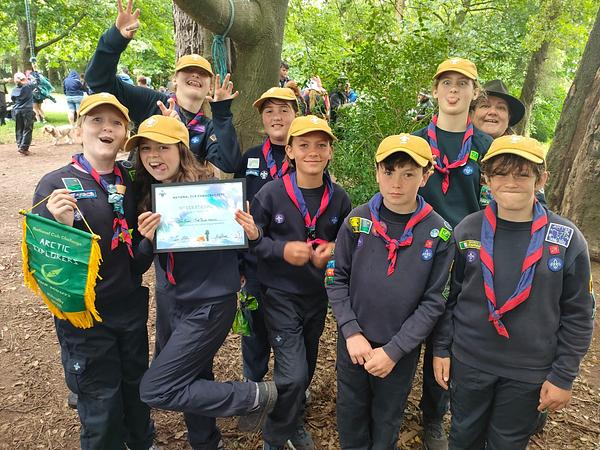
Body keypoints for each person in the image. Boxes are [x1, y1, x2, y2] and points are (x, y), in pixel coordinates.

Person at [433, 135, 594, 449]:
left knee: (507, 443)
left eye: (522, 174)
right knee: (463, 437)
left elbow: (579, 315)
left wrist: (563, 375)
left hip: (528, 371)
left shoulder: (566, 239)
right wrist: (441, 349)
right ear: (487, 180)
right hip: (470, 360)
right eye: (501, 173)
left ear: (541, 179)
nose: (511, 182)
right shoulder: (467, 229)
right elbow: (449, 297)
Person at [127, 115, 277, 450]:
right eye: (146, 149)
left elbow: (246, 243)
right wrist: (146, 241)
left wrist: (249, 232)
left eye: (163, 147)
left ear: (181, 150)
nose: (153, 156)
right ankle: (207, 442)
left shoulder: (212, 191)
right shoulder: (144, 192)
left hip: (210, 303)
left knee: (156, 388)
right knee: (190, 375)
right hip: (172, 299)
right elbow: (137, 264)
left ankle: (257, 396)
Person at [32, 93, 157, 450]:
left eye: (116, 123)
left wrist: (147, 242)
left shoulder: (133, 179)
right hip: (85, 318)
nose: (107, 128)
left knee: (136, 386)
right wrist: (61, 227)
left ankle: (142, 442)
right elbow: (44, 267)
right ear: (78, 130)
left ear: (125, 135)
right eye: (97, 120)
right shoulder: (55, 185)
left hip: (129, 307)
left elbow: (136, 258)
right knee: (101, 401)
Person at [327, 134, 455, 450]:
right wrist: (351, 331)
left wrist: (395, 350)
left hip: (400, 349)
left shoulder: (439, 233)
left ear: (425, 176)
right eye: (388, 172)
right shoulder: (356, 221)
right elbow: (335, 277)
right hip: (354, 342)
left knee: (388, 415)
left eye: (409, 174)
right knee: (351, 410)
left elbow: (434, 301)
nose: (396, 183)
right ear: (377, 173)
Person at [239, 115, 352, 449]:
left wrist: (334, 249)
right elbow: (253, 240)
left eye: (321, 145)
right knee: (293, 373)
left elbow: (347, 243)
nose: (312, 152)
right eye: (303, 145)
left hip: (317, 295)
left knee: (307, 362)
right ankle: (276, 435)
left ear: (330, 151)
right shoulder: (271, 194)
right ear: (289, 150)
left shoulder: (339, 198)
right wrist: (282, 250)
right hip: (279, 295)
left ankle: (294, 418)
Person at [412, 57, 493, 450]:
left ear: (474, 92)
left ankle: (433, 415)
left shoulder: (485, 147)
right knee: (406, 328)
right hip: (417, 252)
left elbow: (494, 206)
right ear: (435, 90)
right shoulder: (415, 142)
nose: (454, 90)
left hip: (465, 259)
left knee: (448, 338)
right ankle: (387, 403)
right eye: (446, 83)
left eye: (463, 83)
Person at [85, 0, 241, 173]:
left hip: (182, 190)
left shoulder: (207, 127)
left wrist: (222, 112)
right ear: (175, 80)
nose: (196, 75)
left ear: (210, 87)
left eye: (203, 73)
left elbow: (230, 164)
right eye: (188, 70)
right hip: (141, 188)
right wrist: (116, 39)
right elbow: (98, 81)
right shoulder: (152, 102)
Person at [235, 87, 298, 384]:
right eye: (269, 111)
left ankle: (293, 385)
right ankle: (254, 383)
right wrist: (238, 263)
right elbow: (237, 208)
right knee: (254, 327)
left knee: (291, 328)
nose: (277, 117)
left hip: (292, 261)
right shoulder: (250, 157)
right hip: (255, 261)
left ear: (295, 115)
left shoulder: (305, 156)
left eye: (284, 110)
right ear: (261, 117)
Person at [11, 71, 37, 155]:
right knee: (27, 129)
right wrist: (31, 75)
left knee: (19, 128)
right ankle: (24, 148)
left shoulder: (14, 89)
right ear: (24, 79)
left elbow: (13, 99)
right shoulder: (28, 86)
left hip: (17, 110)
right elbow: (36, 81)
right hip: (27, 110)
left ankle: (20, 145)